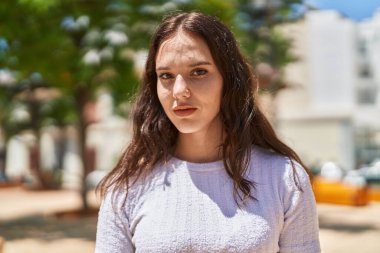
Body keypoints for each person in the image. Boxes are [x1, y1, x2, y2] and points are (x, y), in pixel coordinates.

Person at [95, 11, 320, 253]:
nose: (179, 90)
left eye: (199, 72)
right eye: (166, 76)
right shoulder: (127, 187)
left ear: (229, 80)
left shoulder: (283, 177)